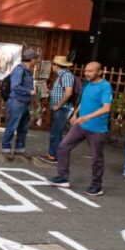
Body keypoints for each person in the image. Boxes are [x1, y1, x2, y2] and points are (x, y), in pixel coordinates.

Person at [49, 61, 113, 197]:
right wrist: (75, 113)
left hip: (97, 128)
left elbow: (106, 108)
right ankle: (63, 178)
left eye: (91, 71)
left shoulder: (105, 86)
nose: (87, 73)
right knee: (63, 147)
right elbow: (83, 101)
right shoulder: (87, 84)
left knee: (97, 158)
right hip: (81, 124)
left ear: (100, 72)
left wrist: (86, 117)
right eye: (86, 71)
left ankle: (97, 186)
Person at [40, 55, 77, 164]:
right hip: (59, 108)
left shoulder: (66, 75)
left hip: (63, 109)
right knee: (55, 132)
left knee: (56, 132)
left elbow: (68, 92)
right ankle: (52, 153)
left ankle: (54, 156)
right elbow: (61, 92)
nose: (52, 66)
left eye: (53, 64)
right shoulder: (61, 75)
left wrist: (58, 105)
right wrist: (49, 92)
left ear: (56, 65)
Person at [1, 49, 38, 155]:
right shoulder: (19, 70)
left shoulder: (27, 71)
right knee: (12, 126)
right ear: (31, 59)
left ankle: (19, 148)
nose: (36, 62)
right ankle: (6, 148)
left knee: (23, 127)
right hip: (16, 101)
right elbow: (15, 86)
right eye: (35, 59)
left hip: (25, 102)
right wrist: (29, 91)